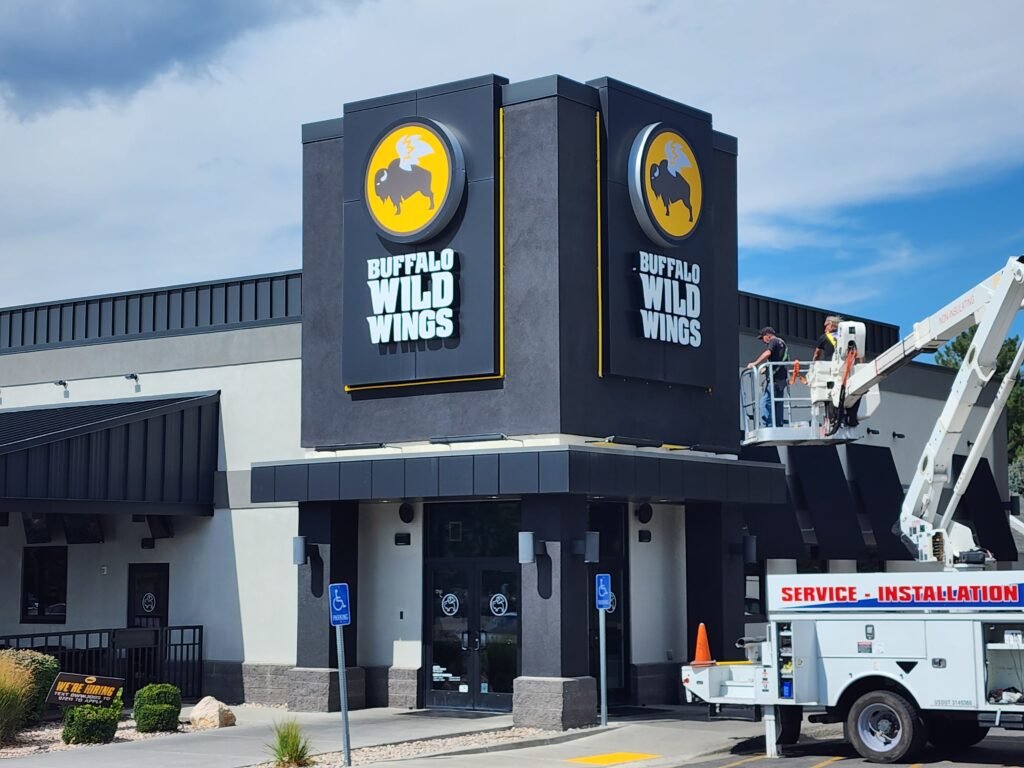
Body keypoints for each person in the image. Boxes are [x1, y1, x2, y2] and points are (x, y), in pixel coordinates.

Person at [747, 326, 788, 427]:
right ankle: (778, 425)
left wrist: (755, 363)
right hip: (782, 379)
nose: (763, 341)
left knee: (764, 403)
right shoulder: (782, 343)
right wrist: (766, 369)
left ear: (768, 335)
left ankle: (768, 425)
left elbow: (768, 353)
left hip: (774, 380)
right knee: (778, 404)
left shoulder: (773, 341)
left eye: (763, 338)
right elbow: (780, 359)